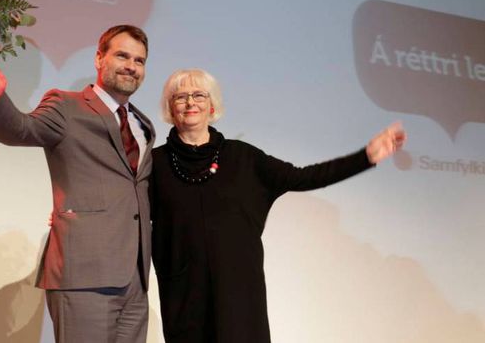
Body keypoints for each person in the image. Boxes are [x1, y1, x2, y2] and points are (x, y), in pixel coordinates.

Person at [150, 69, 406, 343]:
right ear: (170, 108)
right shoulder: (153, 165)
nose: (190, 102)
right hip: (184, 299)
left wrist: (365, 158)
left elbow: (304, 176)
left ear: (212, 105)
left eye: (199, 95)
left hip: (239, 297)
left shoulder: (243, 158)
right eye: (181, 97)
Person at [0, 24, 155, 343]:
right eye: (122, 56)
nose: (131, 66)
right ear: (99, 59)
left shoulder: (143, 125)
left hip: (135, 281)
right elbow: (18, 129)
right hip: (83, 275)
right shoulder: (66, 106)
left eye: (139, 60)